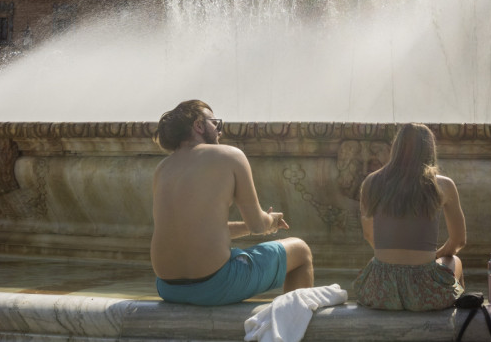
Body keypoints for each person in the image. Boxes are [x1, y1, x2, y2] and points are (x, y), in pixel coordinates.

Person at [150, 100, 314, 306]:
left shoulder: (162, 169)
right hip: (215, 284)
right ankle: (293, 329)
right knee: (301, 250)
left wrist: (247, 227)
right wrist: (270, 221)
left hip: (167, 287)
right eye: (216, 123)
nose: (220, 131)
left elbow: (198, 229)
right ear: (198, 126)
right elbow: (257, 225)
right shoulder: (230, 155)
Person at [353, 123, 466, 311]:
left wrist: (392, 259)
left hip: (379, 291)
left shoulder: (371, 182)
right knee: (455, 261)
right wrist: (434, 256)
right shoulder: (443, 185)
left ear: (395, 148)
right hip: (425, 293)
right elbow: (459, 241)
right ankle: (454, 328)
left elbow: (369, 236)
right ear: (429, 149)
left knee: (373, 263)